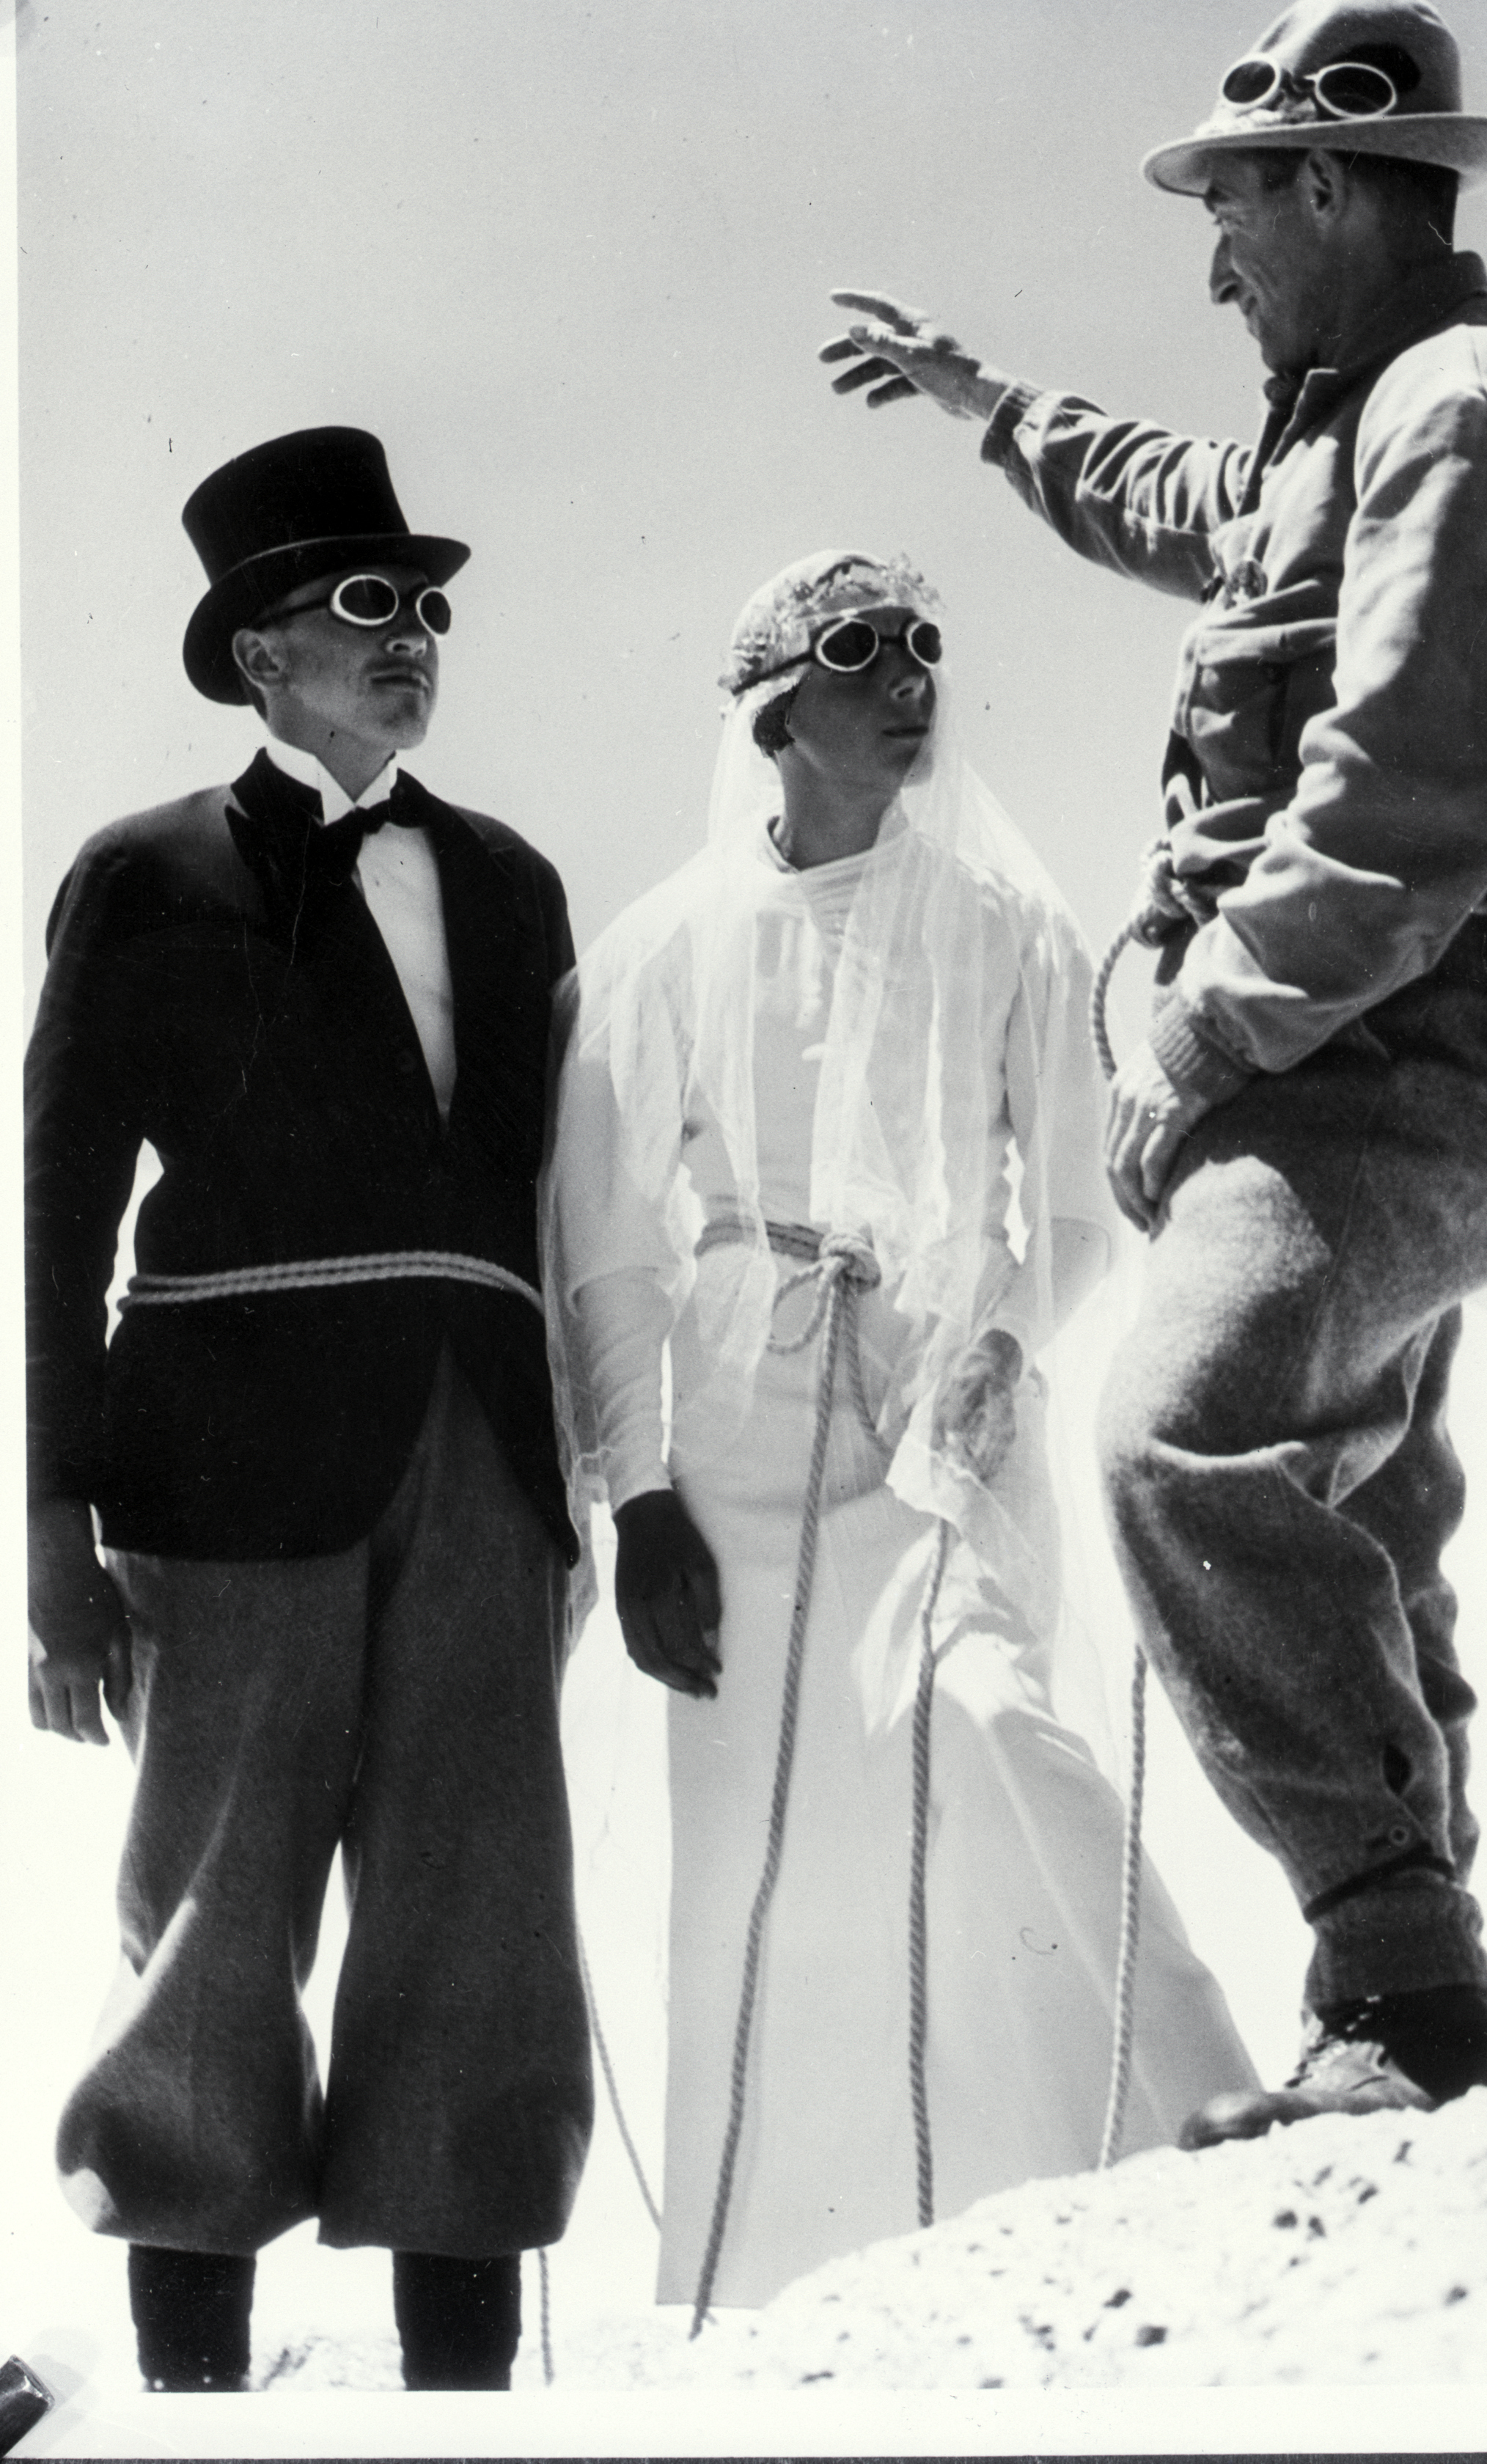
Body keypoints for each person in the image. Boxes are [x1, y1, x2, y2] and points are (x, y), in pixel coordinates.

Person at [820, 0, 1487, 2139]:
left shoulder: (1460, 411)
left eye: (1229, 207)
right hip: (1343, 1049)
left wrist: (1190, 1035)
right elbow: (1174, 497)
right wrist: (985, 404)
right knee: (1359, 1505)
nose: (1211, 261)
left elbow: (1408, 799)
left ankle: (1401, 1973)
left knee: (1181, 1438)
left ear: (1328, 181)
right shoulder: (1342, 424)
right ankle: (1418, 2017)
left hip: (1392, 1048)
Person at [543, 549, 1254, 2308]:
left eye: (924, 643)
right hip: (729, 1421)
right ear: (772, 708)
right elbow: (610, 1247)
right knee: (764, 1849)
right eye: (859, 650)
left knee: (990, 1716)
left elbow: (1075, 1209)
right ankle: (772, 2282)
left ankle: (1205, 2137)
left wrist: (1004, 1343)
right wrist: (639, 1497)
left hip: (946, 1391)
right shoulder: (660, 944)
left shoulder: (1010, 925)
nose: (909, 676)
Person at [24, 428, 592, 2389]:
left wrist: (574, 1487)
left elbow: (562, 1198)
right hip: (221, 1462)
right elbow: (58, 1205)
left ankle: (460, 2407)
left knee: (482, 1920)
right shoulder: (144, 871)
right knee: (212, 1914)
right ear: (260, 652)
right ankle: (190, 2403)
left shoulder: (514, 881)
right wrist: (49, 1521)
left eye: (427, 602)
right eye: (367, 602)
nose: (411, 632)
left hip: (483, 1449)